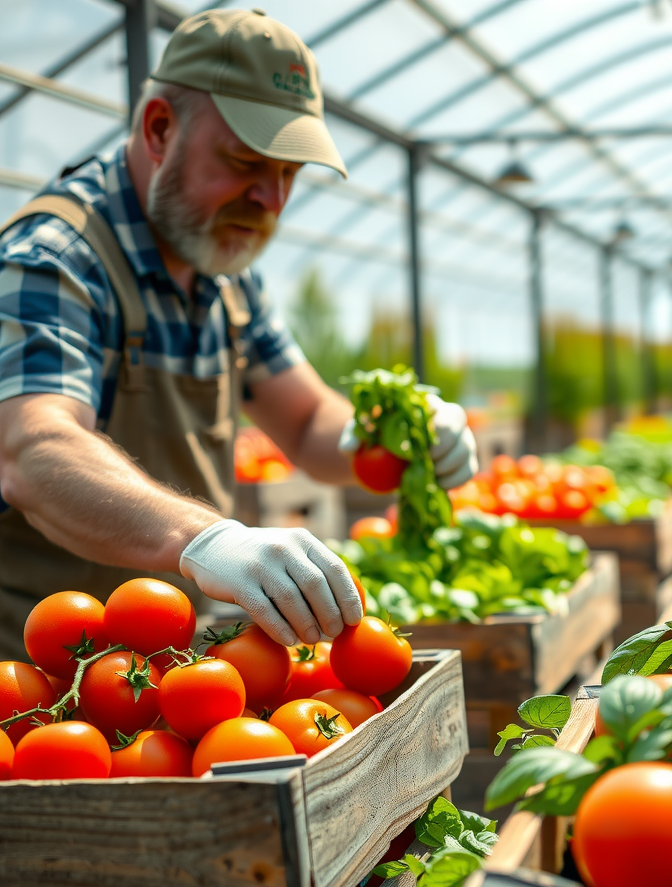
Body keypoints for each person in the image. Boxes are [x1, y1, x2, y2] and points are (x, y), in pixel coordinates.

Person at [0, 8, 477, 662]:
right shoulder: (56, 258)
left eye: (289, 173)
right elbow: (34, 450)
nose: (273, 199)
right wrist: (204, 538)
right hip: (38, 687)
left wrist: (387, 435)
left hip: (166, 674)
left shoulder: (223, 273)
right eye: (247, 161)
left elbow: (309, 422)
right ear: (161, 129)